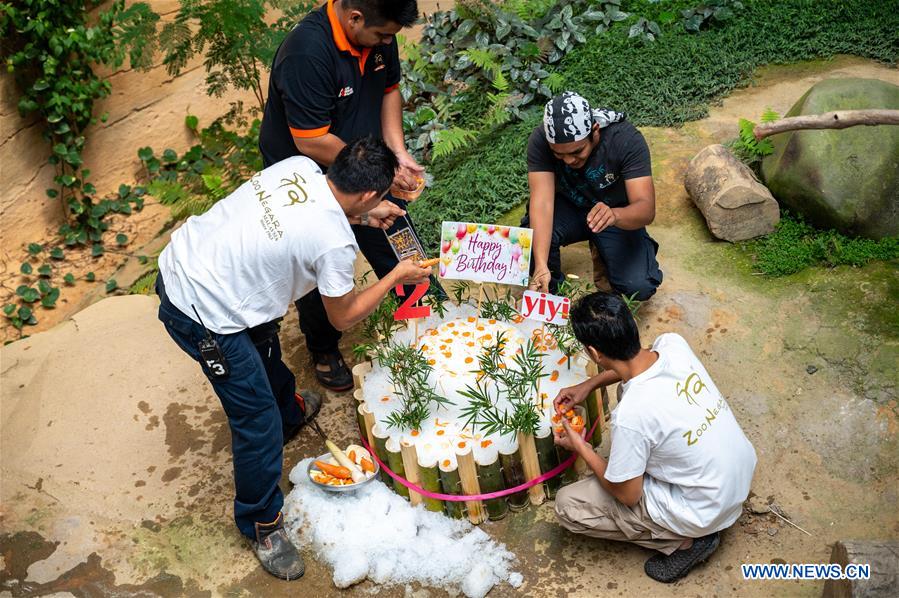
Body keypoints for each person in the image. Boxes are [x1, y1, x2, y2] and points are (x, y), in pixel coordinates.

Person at [155, 137, 431, 580]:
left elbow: (316, 214)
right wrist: (396, 274)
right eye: (377, 198)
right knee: (254, 419)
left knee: (266, 344)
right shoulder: (333, 244)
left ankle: (288, 413)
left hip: (192, 261)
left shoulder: (299, 167)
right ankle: (261, 523)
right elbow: (342, 317)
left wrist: (363, 214)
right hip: (199, 311)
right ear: (366, 194)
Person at [259, 0, 429, 391]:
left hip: (366, 159)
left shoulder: (379, 28)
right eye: (383, 35)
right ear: (354, 18)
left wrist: (397, 155)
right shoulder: (306, 53)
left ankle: (423, 318)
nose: (388, 42)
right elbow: (311, 139)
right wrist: (378, 177)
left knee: (396, 229)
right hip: (308, 170)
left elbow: (389, 91)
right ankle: (323, 346)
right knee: (316, 265)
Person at [552, 292, 757, 583]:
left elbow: (627, 495)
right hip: (735, 477)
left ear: (595, 353)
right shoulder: (673, 344)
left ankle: (685, 542)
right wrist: (591, 383)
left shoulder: (632, 415)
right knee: (628, 394)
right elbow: (634, 363)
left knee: (567, 505)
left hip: (706, 510)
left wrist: (581, 447)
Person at [524, 91, 663, 300]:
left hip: (612, 212)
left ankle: (605, 248)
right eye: (559, 155)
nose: (569, 160)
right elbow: (542, 203)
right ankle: (551, 296)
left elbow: (646, 208)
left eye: (577, 151)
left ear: (595, 131)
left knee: (639, 286)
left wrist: (615, 215)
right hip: (568, 208)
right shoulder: (540, 140)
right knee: (532, 245)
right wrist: (541, 264)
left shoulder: (625, 139)